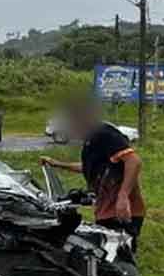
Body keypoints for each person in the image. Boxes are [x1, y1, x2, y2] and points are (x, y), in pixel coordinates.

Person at [40, 99, 146, 252]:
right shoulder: (90, 140)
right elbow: (91, 168)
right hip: (105, 210)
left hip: (121, 211)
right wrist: (57, 164)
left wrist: (123, 197)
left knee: (117, 257)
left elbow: (134, 161)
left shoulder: (105, 134)